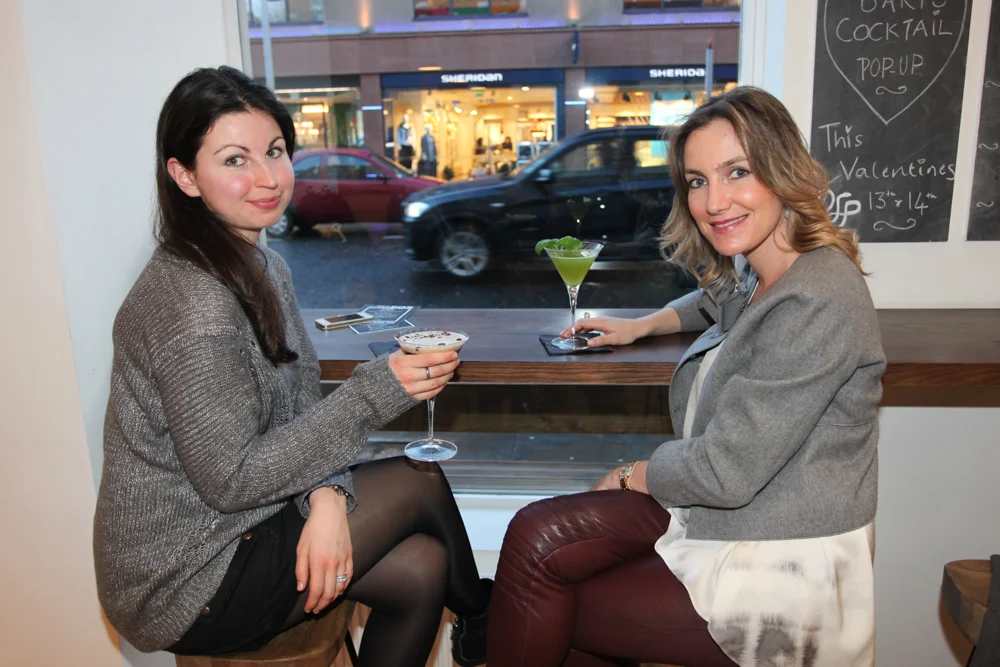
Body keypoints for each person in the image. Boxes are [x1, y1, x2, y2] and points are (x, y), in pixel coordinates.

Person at [93, 66, 490, 667]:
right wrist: (373, 394)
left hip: (241, 521)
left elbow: (299, 399)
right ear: (185, 176)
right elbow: (231, 481)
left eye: (274, 151)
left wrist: (327, 495)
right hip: (182, 573)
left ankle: (484, 624)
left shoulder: (263, 264)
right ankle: (486, 622)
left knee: (422, 568)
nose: (267, 177)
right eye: (235, 159)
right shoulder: (194, 305)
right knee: (421, 480)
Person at [487, 86, 885, 667]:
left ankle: (484, 628)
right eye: (698, 181)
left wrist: (631, 474)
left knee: (547, 592)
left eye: (737, 172)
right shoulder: (765, 269)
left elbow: (725, 472)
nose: (714, 202)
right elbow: (715, 298)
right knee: (535, 531)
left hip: (783, 561)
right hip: (732, 517)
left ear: (782, 171)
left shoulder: (819, 296)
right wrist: (642, 325)